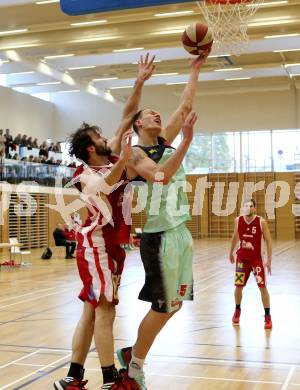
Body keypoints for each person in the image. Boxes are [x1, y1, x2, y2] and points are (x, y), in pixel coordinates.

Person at [54, 54, 155, 390]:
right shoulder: (83, 174)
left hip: (110, 247)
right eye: (99, 135)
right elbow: (104, 187)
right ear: (89, 146)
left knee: (90, 310)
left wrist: (139, 81)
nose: (105, 137)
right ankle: (111, 379)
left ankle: (73, 376)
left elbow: (127, 117)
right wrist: (124, 160)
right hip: (96, 247)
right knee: (105, 311)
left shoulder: (112, 154)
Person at [116, 50, 210, 390]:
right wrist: (186, 142)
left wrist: (194, 68)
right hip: (159, 237)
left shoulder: (164, 141)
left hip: (181, 233)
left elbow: (185, 104)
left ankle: (132, 353)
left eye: (159, 113)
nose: (158, 115)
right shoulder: (137, 154)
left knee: (174, 305)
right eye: (151, 114)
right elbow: (161, 177)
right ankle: (135, 368)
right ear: (139, 123)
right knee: (162, 305)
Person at [229, 199, 272, 329]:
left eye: (251, 206)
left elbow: (269, 241)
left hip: (256, 260)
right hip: (242, 260)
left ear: (254, 208)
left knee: (262, 288)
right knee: (238, 286)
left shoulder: (261, 222)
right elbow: (235, 236)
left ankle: (267, 317)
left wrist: (269, 260)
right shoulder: (238, 221)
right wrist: (230, 252)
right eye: (246, 206)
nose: (248, 208)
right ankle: (237, 310)